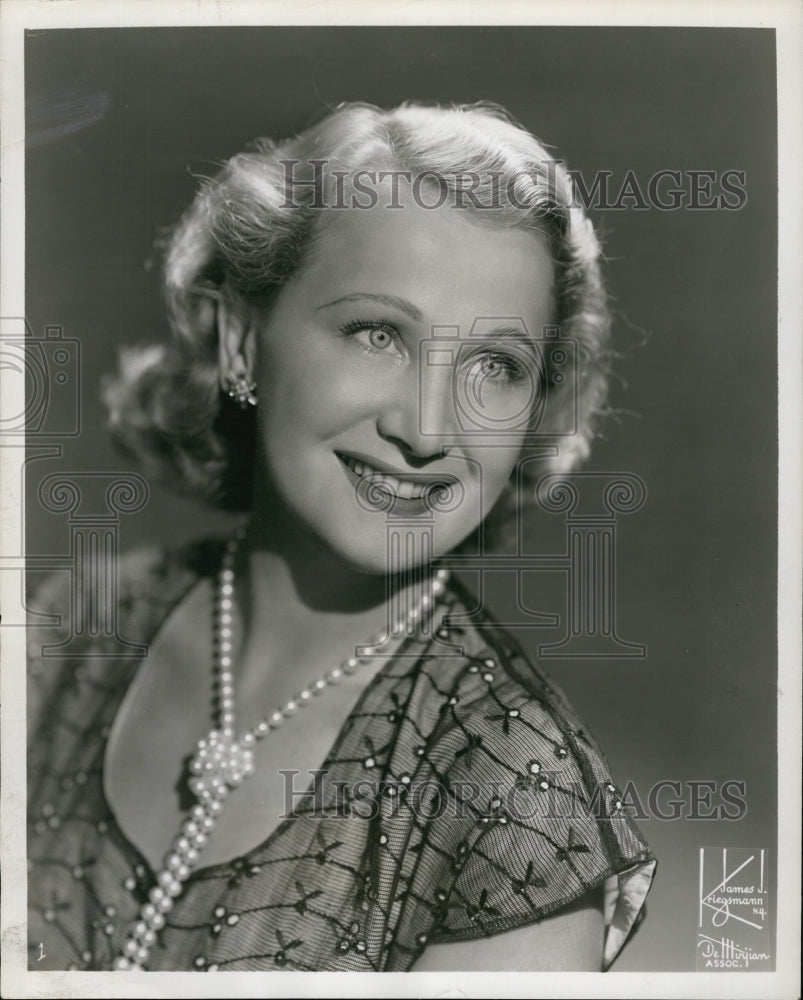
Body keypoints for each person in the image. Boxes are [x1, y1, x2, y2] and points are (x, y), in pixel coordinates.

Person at [26, 101, 656, 973]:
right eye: (377, 333)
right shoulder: (68, 629)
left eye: (493, 365)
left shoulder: (513, 801)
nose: (427, 428)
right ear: (244, 342)